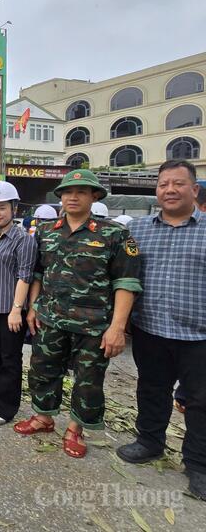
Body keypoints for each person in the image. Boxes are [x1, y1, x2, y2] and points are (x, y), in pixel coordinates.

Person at [16, 170, 141, 458]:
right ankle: (43, 417)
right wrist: (33, 307)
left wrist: (117, 327)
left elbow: (126, 283)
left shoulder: (114, 234)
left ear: (94, 196)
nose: (73, 197)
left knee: (88, 380)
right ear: (60, 197)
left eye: (81, 192)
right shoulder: (46, 231)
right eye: (68, 192)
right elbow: (38, 273)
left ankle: (75, 428)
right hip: (50, 318)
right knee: (43, 370)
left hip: (93, 324)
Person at [116, 160, 206, 500]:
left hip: (198, 335)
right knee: (151, 389)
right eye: (164, 183)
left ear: (194, 190)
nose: (170, 190)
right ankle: (149, 442)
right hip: (150, 329)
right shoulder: (137, 230)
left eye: (178, 183)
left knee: (200, 401)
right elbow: (124, 275)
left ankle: (198, 465)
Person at [0, 181, 37, 425]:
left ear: (14, 208)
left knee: (10, 358)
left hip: (10, 310)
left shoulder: (23, 240)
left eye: (2, 208)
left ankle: (6, 407)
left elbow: (25, 276)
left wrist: (16, 310)